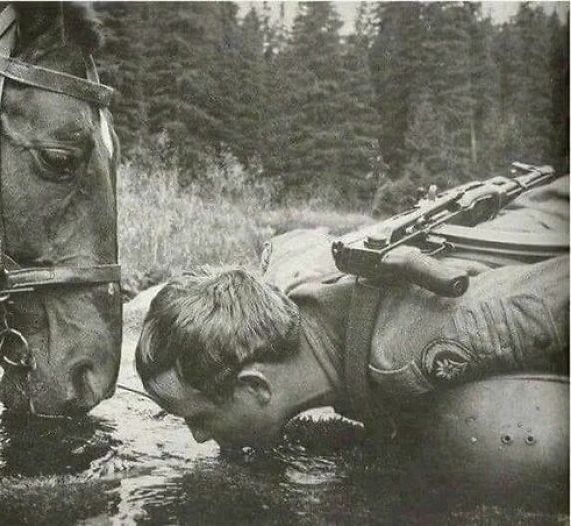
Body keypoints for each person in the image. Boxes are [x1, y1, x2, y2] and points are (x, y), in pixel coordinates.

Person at [134, 176, 569, 449]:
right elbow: (292, 241)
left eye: (199, 418)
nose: (196, 437)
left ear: (255, 387)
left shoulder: (420, 347)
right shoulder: (286, 285)